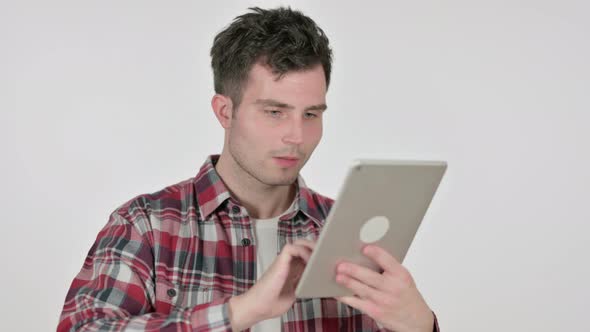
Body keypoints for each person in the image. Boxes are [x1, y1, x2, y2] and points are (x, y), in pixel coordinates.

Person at [58, 7, 439, 332]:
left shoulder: (345, 230)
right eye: (274, 112)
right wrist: (240, 312)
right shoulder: (146, 224)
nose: (296, 135)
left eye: (311, 114)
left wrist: (419, 324)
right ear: (225, 111)